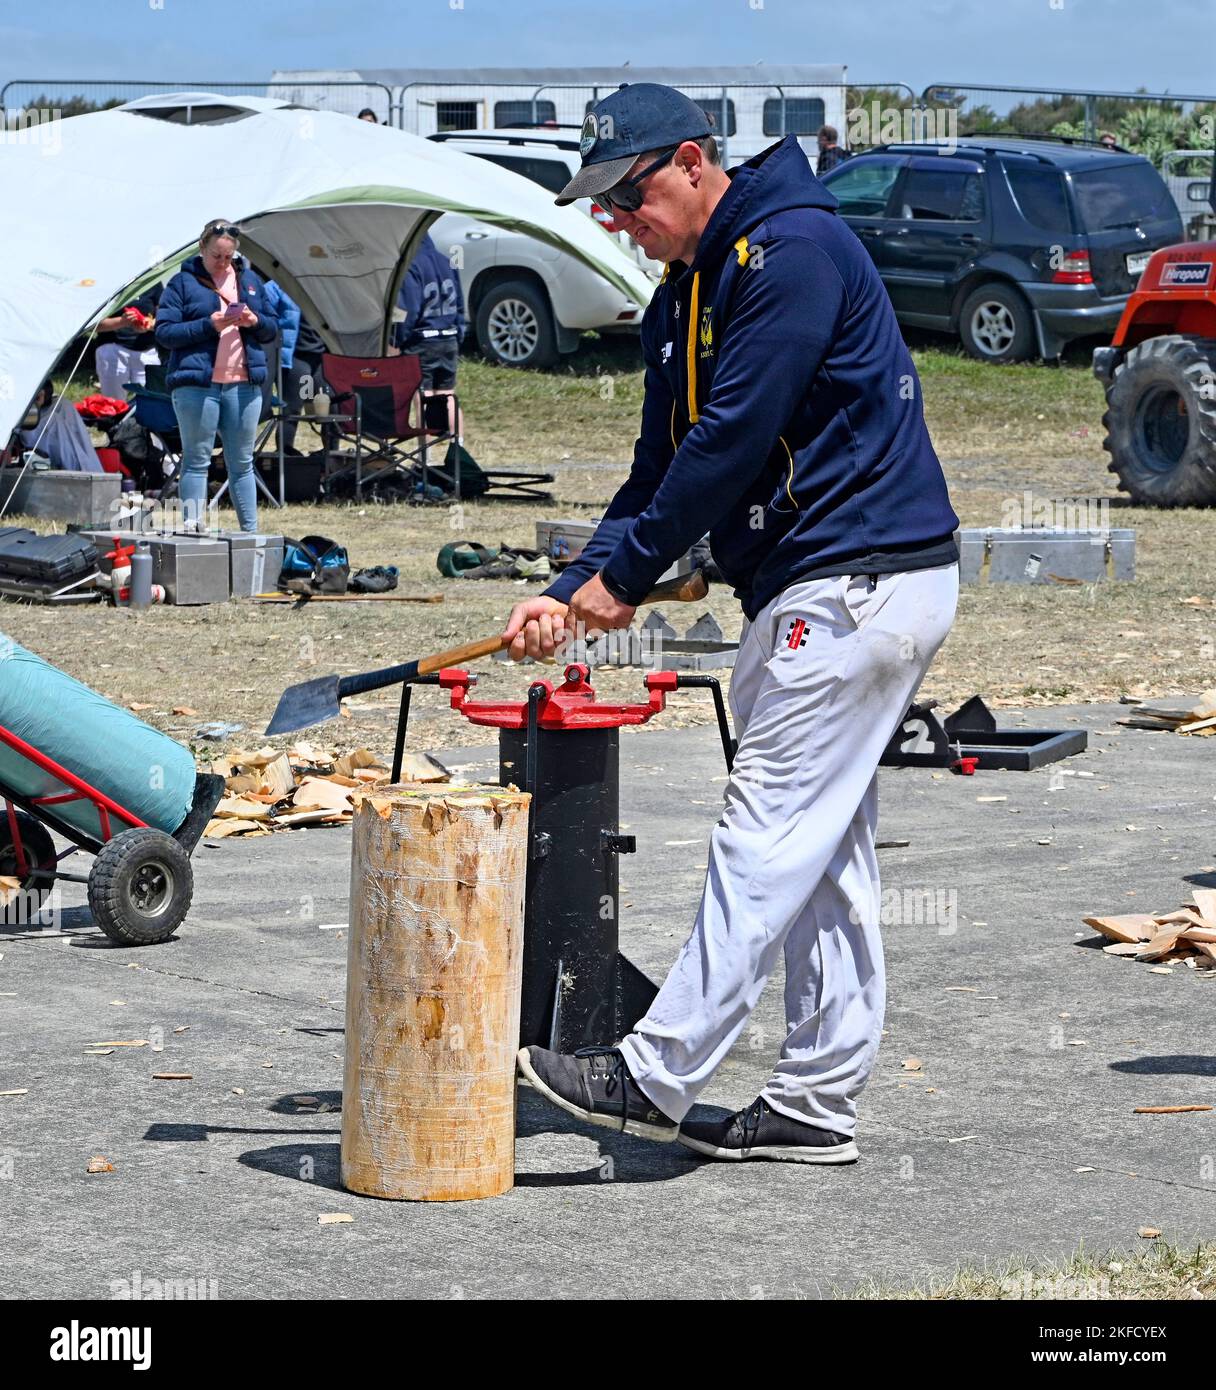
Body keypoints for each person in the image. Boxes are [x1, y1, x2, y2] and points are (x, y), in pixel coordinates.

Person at [503, 82, 961, 1165]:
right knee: (822, 854)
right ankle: (815, 1098)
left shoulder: (788, 253)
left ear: (696, 161)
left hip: (854, 581)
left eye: (633, 191)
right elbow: (660, 465)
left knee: (762, 833)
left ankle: (654, 1075)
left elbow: (734, 438)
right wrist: (577, 584)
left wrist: (632, 571)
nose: (622, 217)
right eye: (605, 203)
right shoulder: (685, 296)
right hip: (828, 586)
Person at [155, 220, 278, 531]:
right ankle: (193, 532)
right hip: (197, 386)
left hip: (244, 386)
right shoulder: (181, 284)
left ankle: (250, 535)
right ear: (201, 248)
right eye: (216, 256)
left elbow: (273, 329)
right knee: (196, 463)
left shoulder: (249, 280)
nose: (222, 263)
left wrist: (254, 320)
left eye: (228, 257)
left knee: (242, 464)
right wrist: (209, 325)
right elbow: (165, 333)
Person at [392, 232, 467, 390]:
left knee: (423, 397)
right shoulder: (448, 262)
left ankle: (426, 416)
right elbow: (460, 304)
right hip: (449, 339)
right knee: (447, 396)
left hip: (422, 342)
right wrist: (458, 335)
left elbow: (409, 309)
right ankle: (451, 416)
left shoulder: (410, 265)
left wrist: (396, 339)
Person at [94, 283, 161, 401]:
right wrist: (122, 321)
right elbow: (95, 325)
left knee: (150, 401)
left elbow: (164, 317)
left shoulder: (153, 282)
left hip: (147, 351)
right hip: (113, 349)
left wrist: (148, 324)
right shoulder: (109, 283)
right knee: (113, 403)